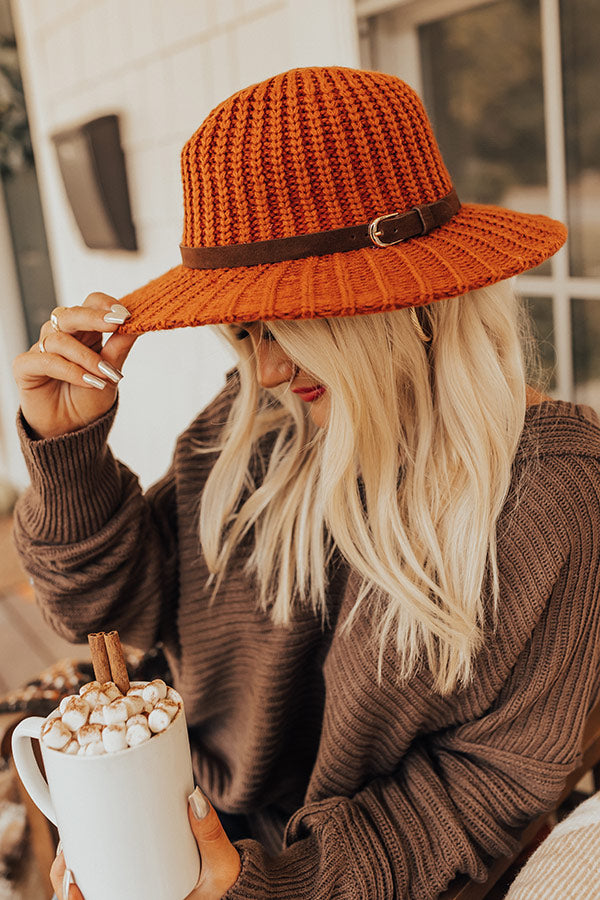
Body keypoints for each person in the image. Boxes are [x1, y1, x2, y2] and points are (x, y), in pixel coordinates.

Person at [11, 66, 600, 900]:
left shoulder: (551, 493)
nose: (269, 367)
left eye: (292, 325)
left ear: (410, 301)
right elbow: (100, 611)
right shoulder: (250, 426)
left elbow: (484, 792)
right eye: (244, 330)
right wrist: (67, 450)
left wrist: (266, 887)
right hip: (188, 844)